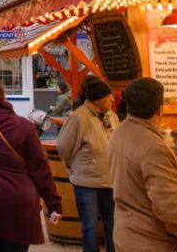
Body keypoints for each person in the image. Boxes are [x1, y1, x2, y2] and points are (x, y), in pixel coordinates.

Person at [0, 78, 61, 252]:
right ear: (4, 96)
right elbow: (39, 168)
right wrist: (53, 204)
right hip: (19, 204)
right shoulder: (25, 126)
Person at [109, 78, 177, 252]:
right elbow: (170, 205)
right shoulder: (153, 148)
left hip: (127, 234)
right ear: (160, 109)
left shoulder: (119, 132)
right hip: (152, 242)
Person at [56, 75, 119, 252]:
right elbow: (63, 145)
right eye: (108, 97)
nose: (111, 99)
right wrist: (72, 167)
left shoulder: (112, 116)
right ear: (97, 99)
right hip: (86, 183)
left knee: (113, 225)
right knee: (90, 227)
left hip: (110, 181)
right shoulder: (79, 117)